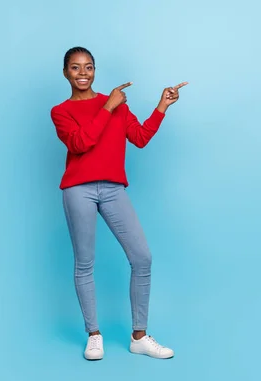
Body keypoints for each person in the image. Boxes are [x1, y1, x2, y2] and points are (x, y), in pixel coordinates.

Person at [50, 46, 187, 360]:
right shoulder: (61, 111)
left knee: (142, 258)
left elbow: (139, 137)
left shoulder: (117, 105)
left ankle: (139, 336)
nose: (82, 73)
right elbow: (80, 143)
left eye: (88, 67)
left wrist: (162, 106)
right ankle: (94, 334)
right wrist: (107, 108)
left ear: (95, 70)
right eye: (75, 68)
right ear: (65, 72)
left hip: (113, 188)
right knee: (84, 263)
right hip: (77, 189)